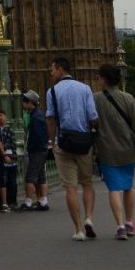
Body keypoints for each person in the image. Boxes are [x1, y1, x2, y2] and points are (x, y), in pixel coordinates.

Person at [44, 56, 101, 239]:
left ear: (61, 70)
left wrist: (52, 142)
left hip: (63, 142)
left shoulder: (52, 91)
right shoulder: (85, 88)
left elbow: (50, 119)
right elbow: (93, 117)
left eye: (53, 69)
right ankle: (89, 218)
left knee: (70, 188)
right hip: (84, 142)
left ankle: (78, 230)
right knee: (87, 183)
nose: (51, 73)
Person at [91, 64, 135, 239]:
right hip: (128, 150)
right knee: (128, 187)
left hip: (107, 150)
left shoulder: (95, 99)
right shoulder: (128, 98)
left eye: (98, 77)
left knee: (114, 188)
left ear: (103, 79)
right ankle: (129, 223)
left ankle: (120, 227)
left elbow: (91, 122)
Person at [19, 91, 51, 210]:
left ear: (30, 103)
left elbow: (37, 136)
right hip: (42, 149)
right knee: (41, 176)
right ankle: (43, 201)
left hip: (37, 150)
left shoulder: (35, 117)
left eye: (24, 101)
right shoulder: (38, 114)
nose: (23, 104)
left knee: (30, 177)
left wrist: (31, 148)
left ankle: (28, 202)